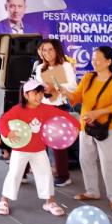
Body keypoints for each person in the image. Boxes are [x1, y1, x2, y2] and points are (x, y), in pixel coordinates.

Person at [0, 79, 78, 216]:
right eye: (35, 93)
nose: (39, 96)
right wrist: (7, 132)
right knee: (14, 174)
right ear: (26, 95)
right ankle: (4, 201)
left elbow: (63, 115)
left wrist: (77, 125)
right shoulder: (17, 110)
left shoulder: (46, 109)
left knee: (45, 174)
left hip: (39, 150)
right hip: (20, 150)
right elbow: (2, 120)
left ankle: (50, 202)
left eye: (40, 93)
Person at [62, 46, 112, 212]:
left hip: (106, 128)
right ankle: (92, 191)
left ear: (109, 61)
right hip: (86, 126)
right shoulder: (88, 77)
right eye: (93, 59)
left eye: (98, 59)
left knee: (108, 163)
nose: (94, 62)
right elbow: (76, 97)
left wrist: (98, 112)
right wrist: (63, 91)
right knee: (85, 159)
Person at [34, 39, 77, 187]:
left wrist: (55, 86)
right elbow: (38, 86)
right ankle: (34, 171)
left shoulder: (65, 66)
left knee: (58, 144)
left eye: (50, 50)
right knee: (36, 140)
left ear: (57, 50)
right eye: (44, 50)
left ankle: (63, 176)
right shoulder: (40, 67)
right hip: (42, 107)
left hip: (59, 107)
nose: (46, 53)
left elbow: (73, 87)